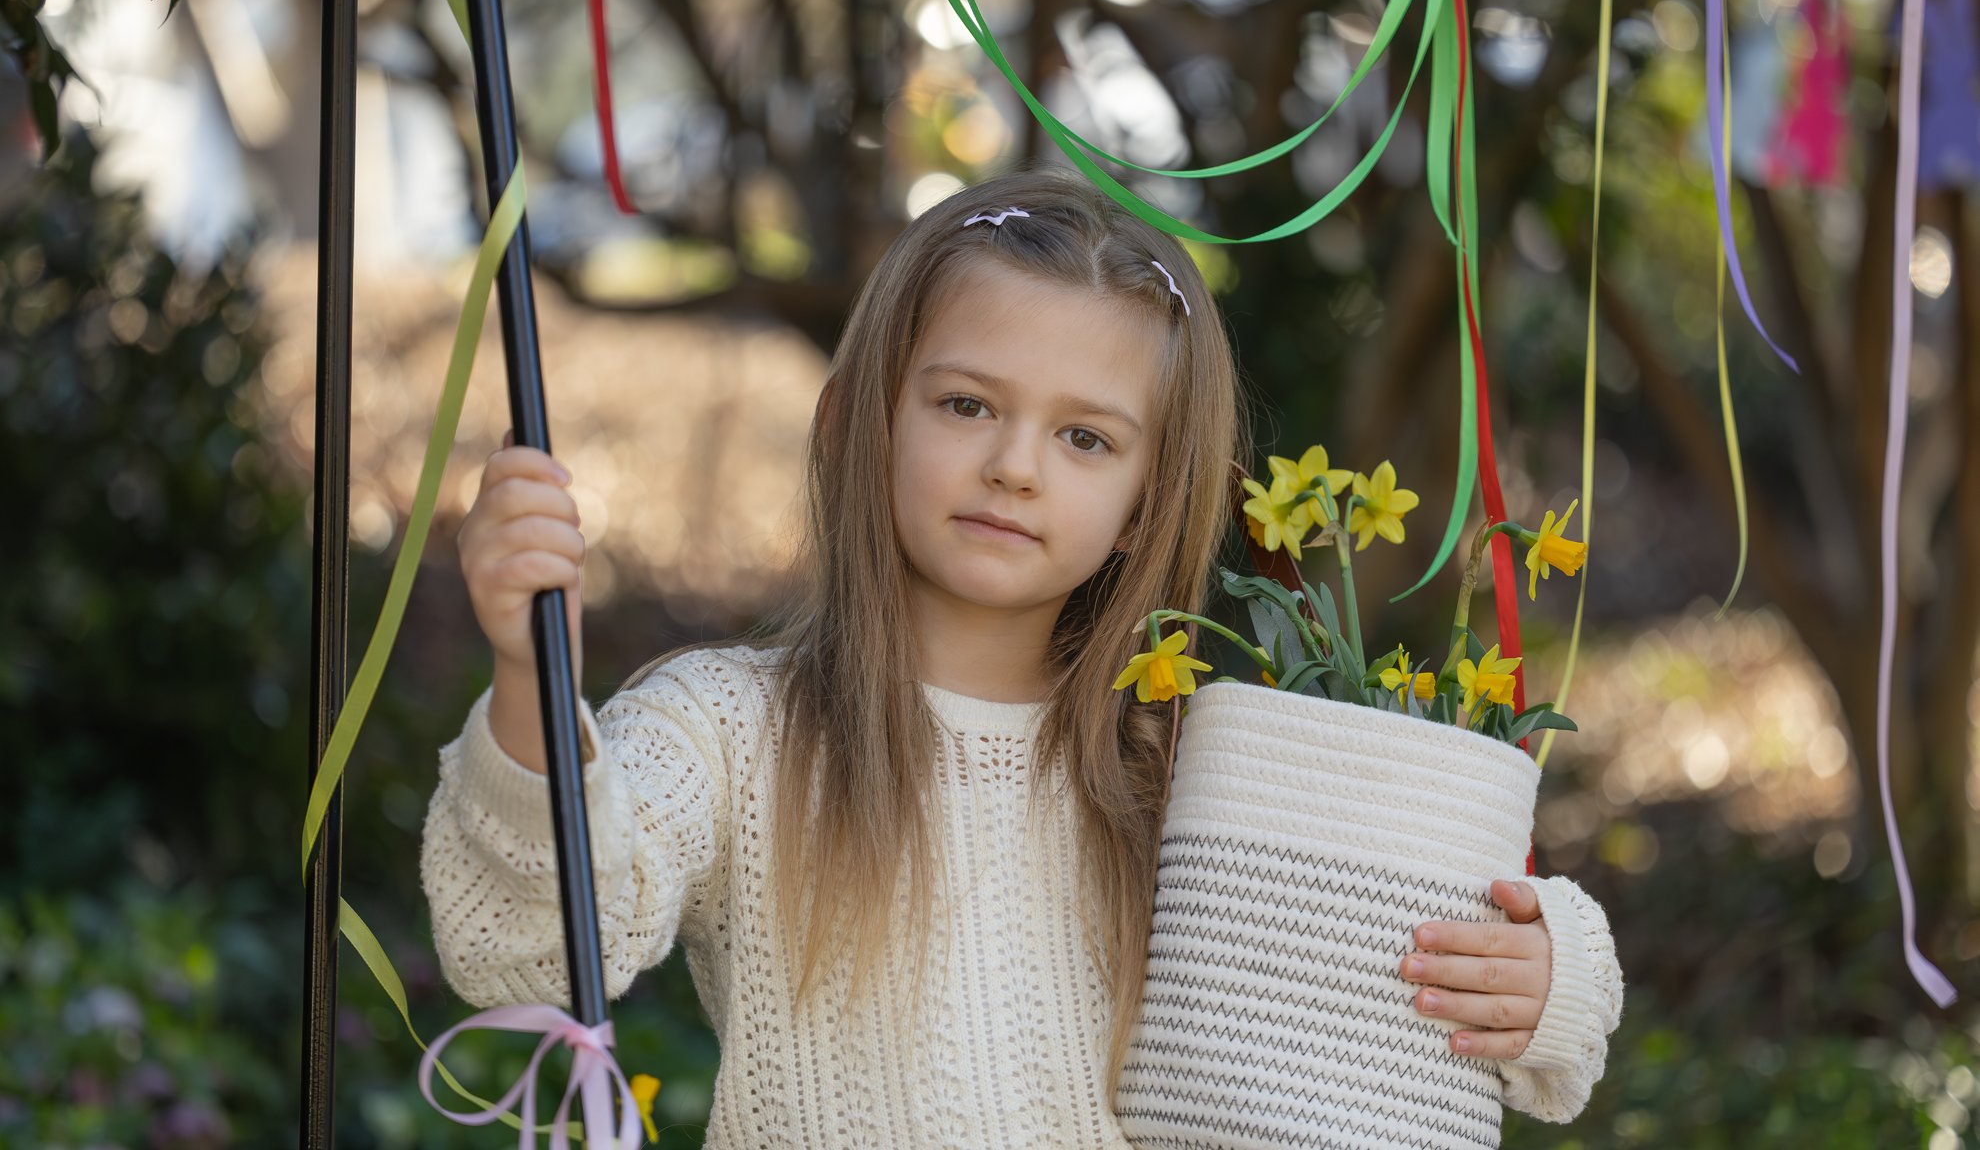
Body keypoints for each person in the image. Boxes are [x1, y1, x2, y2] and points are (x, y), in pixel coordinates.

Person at [420, 167, 1624, 1146]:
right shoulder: (730, 728)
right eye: (963, 406)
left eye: (1087, 437)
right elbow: (521, 944)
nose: (1016, 466)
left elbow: (1407, 973)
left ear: (1154, 497)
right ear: (854, 421)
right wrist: (531, 671)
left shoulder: (1193, 765)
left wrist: (1544, 974)